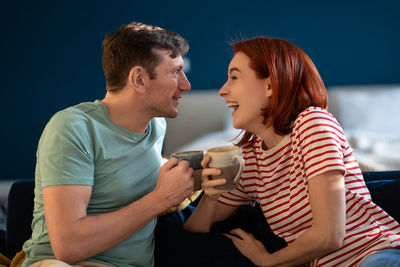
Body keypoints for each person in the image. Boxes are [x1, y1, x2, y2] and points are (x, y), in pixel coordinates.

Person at [184, 37, 400, 266]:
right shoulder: (251, 159)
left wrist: (268, 261)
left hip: (374, 255)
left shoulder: (312, 123)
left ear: (270, 86)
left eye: (234, 77)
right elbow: (193, 233)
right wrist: (211, 197)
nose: (222, 90)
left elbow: (330, 236)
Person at [22, 22, 194, 267]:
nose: (186, 85)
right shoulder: (72, 128)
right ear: (138, 79)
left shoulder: (157, 126)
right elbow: (68, 247)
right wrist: (160, 199)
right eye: (176, 72)